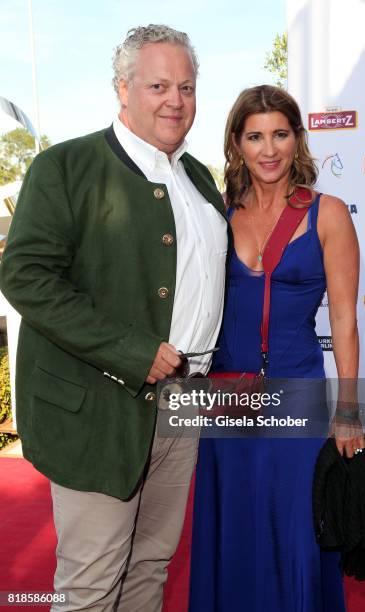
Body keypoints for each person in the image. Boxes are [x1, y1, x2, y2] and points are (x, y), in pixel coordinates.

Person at [0, 25, 227, 612]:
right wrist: (131, 350)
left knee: (150, 566)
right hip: (99, 411)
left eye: (186, 86)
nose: (175, 100)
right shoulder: (65, 167)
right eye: (158, 85)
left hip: (184, 404)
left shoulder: (199, 178)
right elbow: (25, 277)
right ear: (122, 90)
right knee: (93, 583)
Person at [189, 85, 363, 612]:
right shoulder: (216, 214)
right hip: (225, 400)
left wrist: (348, 410)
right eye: (255, 136)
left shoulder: (327, 214)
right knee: (234, 529)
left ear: (297, 139)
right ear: (237, 143)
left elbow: (344, 319)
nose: (269, 149)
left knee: (294, 532)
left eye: (280, 134)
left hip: (297, 394)